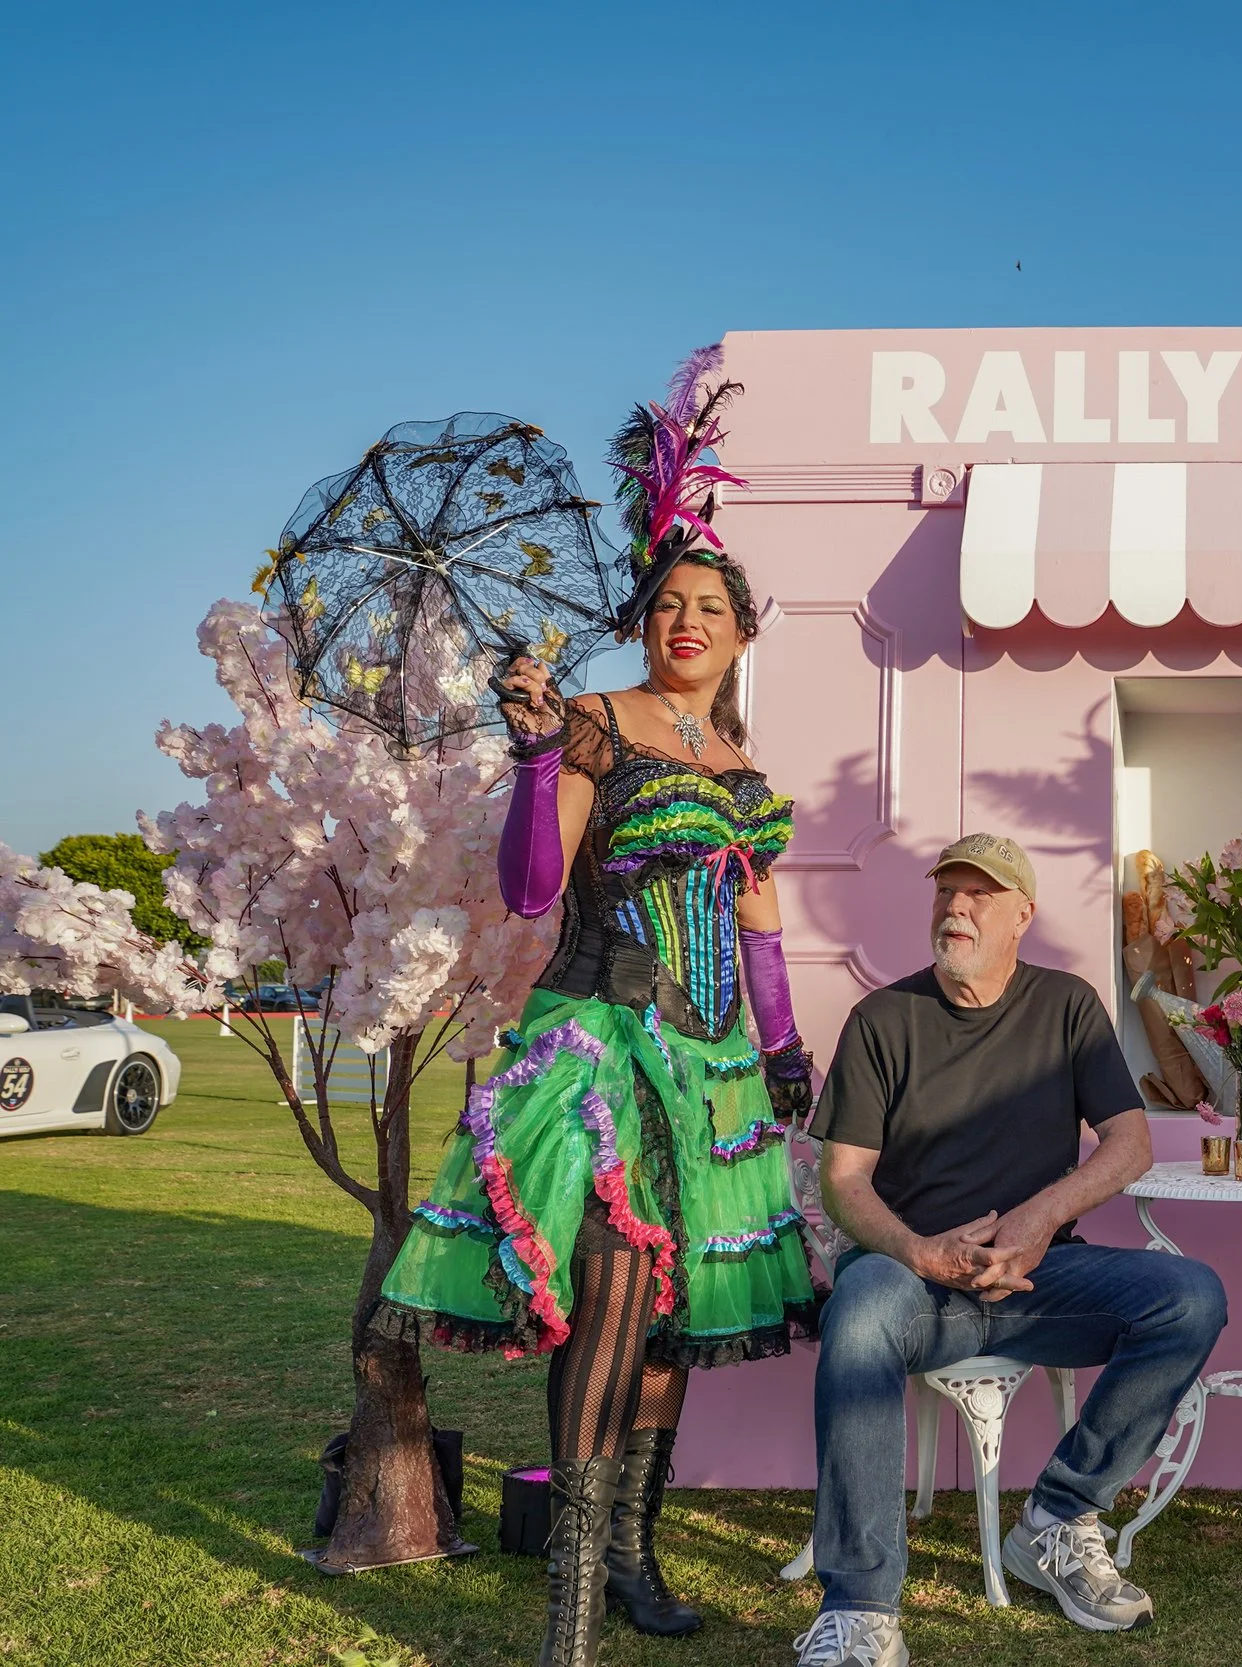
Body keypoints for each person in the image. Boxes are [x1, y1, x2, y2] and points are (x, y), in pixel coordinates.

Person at [379, 347, 820, 1667]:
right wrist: (528, 755)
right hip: (604, 1037)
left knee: (682, 1320)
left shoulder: (746, 773)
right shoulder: (595, 725)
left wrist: (785, 1044)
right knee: (619, 1288)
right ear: (648, 622)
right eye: (669, 602)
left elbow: (757, 924)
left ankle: (633, 1552)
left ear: (742, 633)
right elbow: (527, 888)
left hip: (715, 1062)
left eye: (710, 606)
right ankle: (568, 1610)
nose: (687, 619)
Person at [796, 833, 1227, 1667]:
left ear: (1023, 914)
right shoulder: (882, 1019)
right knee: (858, 1312)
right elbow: (845, 1180)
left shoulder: (1067, 1006)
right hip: (909, 1284)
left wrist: (1035, 1221)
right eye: (946, 892)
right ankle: (861, 1608)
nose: (956, 906)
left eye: (979, 894)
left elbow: (1129, 1143)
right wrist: (920, 1252)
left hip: (1039, 1278)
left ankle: (1059, 1518)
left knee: (1191, 1297)